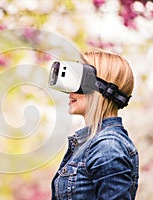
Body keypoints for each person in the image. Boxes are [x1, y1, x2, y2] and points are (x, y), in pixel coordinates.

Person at [51, 49, 139, 199]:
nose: (70, 91)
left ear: (103, 89)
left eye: (79, 80)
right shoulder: (90, 144)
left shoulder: (108, 146)